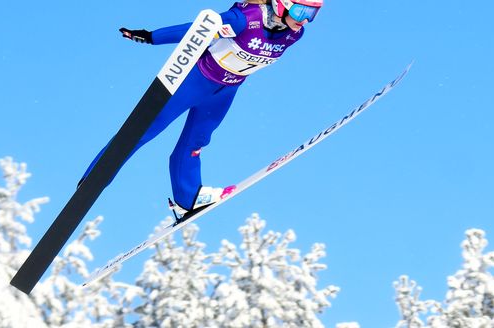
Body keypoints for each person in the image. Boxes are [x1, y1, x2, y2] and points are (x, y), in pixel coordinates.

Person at [83, 0, 324, 217]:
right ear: (281, 5)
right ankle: (94, 178)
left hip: (225, 92)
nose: (304, 19)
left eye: (312, 14)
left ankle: (187, 200)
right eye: (301, 10)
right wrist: (151, 36)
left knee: (195, 144)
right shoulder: (245, 20)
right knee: (143, 131)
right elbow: (196, 31)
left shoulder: (295, 34)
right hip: (195, 82)